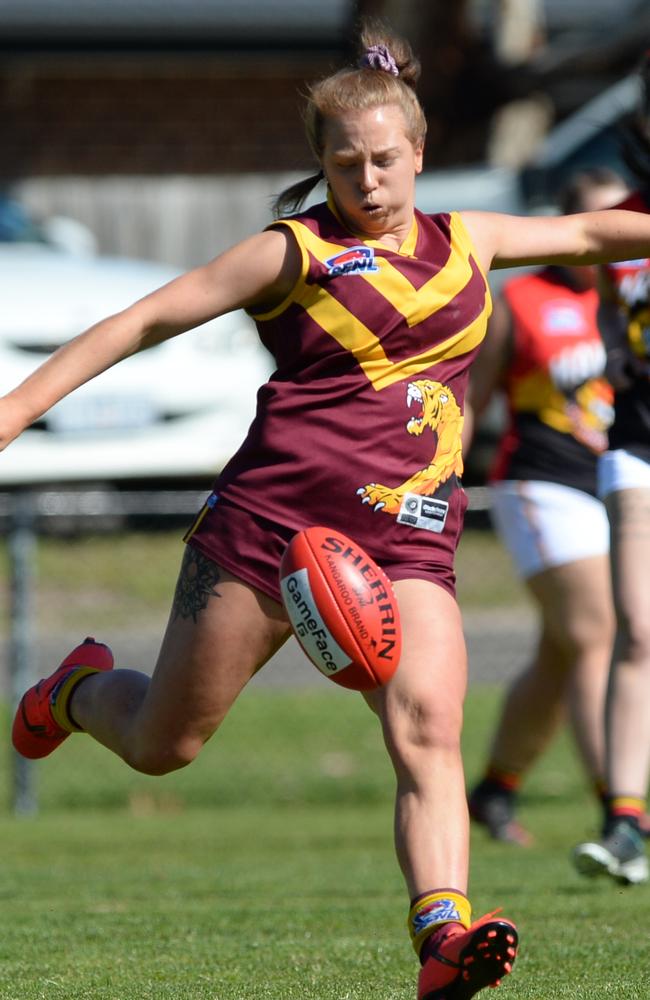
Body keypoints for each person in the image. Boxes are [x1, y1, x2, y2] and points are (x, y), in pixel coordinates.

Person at [5, 19, 650, 999]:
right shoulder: (293, 255)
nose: (369, 180)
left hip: (406, 539)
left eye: (386, 160)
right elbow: (142, 319)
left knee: (428, 726)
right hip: (264, 533)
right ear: (321, 164)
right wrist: (14, 410)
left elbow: (597, 230)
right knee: (163, 744)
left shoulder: (471, 244)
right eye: (346, 163)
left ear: (420, 154)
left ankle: (440, 932)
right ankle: (77, 691)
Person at [465, 168, 630, 846]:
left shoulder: (632, 301)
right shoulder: (522, 298)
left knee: (563, 653)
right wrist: (443, 468)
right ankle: (623, 814)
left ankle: (496, 789)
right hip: (539, 482)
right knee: (597, 633)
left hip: (619, 484)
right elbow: (474, 393)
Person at [572, 52, 650, 887]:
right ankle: (625, 820)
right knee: (638, 624)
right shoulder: (617, 224)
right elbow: (610, 324)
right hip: (637, 445)